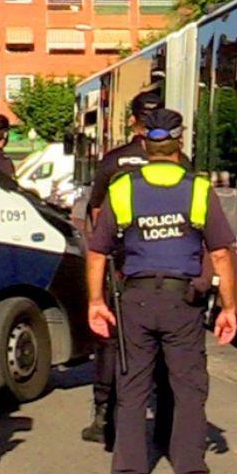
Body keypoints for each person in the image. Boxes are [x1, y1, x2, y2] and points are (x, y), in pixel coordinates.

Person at [87, 108, 237, 474]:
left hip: (134, 297)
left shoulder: (123, 187)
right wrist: (229, 308)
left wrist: (96, 302)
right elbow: (220, 253)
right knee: (188, 390)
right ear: (179, 142)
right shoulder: (198, 188)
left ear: (145, 143)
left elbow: (97, 251)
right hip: (182, 300)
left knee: (132, 390)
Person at [79, 91, 188, 446]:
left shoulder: (114, 161)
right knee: (168, 346)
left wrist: (103, 254)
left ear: (132, 121)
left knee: (114, 344)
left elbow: (96, 216)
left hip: (123, 267)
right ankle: (166, 423)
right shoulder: (181, 163)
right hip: (170, 267)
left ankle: (103, 415)